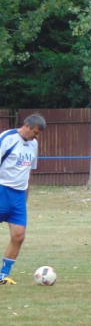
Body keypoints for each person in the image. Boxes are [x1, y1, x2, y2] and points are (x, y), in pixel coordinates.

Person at [0, 114, 46, 285]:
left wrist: (26, 194)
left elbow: (29, 171)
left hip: (18, 196)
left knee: (18, 236)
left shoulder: (33, 144)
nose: (36, 136)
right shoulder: (6, 138)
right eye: (35, 132)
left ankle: (3, 275)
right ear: (26, 125)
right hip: (2, 190)